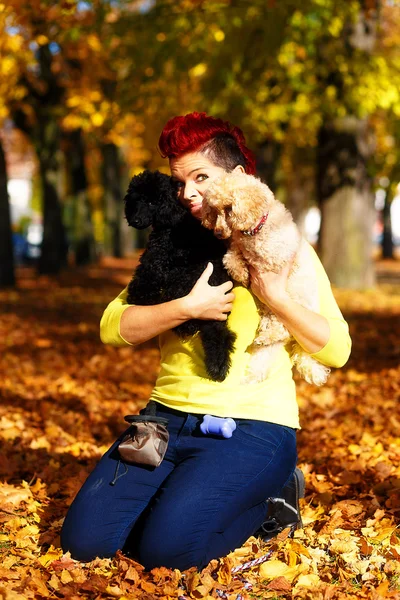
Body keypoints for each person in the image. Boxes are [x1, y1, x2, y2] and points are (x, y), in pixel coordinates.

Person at [61, 112, 351, 571]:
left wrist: (275, 297)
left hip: (252, 429)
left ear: (237, 176)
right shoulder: (174, 246)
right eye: (180, 182)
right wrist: (185, 308)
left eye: (201, 177)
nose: (188, 193)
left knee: (167, 552)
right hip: (161, 422)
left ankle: (276, 502)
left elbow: (337, 348)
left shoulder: (283, 246)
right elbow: (113, 325)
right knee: (84, 545)